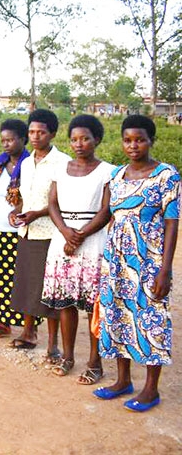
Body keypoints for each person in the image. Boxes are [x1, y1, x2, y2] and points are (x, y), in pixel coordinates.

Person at [95, 115, 178, 412]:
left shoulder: (166, 175)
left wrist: (165, 270)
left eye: (140, 139)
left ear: (151, 140)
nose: (133, 145)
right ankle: (122, 381)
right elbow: (108, 215)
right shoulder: (117, 175)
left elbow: (171, 222)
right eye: (128, 140)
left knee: (150, 319)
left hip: (149, 261)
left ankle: (151, 389)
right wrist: (77, 234)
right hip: (116, 260)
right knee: (117, 314)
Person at [42, 115, 114, 382]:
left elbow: (106, 210)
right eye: (74, 139)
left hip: (93, 241)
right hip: (62, 240)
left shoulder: (108, 170)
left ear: (97, 139)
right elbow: (52, 204)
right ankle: (68, 356)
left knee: (94, 305)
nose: (79, 144)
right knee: (65, 303)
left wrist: (80, 235)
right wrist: (65, 232)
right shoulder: (61, 168)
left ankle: (95, 363)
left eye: (85, 138)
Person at [9, 109, 66, 360]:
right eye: (31, 132)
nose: (35, 136)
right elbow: (25, 198)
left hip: (50, 233)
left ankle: (53, 344)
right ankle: (28, 332)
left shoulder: (62, 163)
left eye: (41, 132)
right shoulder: (25, 162)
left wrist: (38, 213)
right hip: (27, 231)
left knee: (49, 289)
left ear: (52, 134)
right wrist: (17, 211)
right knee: (26, 284)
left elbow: (62, 201)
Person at [0, 119, 29, 338]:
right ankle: (3, 323)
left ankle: (29, 327)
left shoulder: (30, 165)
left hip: (23, 230)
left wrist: (19, 209)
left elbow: (34, 196)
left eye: (11, 139)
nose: (6, 144)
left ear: (23, 139)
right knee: (1, 278)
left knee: (23, 278)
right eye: (3, 140)